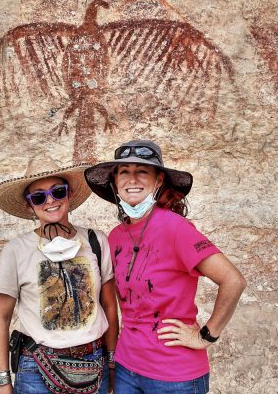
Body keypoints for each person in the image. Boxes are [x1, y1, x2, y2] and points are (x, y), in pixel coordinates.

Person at [84, 139, 247, 394]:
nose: (132, 179)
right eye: (124, 172)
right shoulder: (115, 236)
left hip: (175, 376)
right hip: (128, 368)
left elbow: (233, 280)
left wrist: (205, 335)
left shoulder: (176, 229)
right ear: (115, 182)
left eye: (142, 171)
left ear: (158, 180)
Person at [0, 155, 118, 394]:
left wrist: (112, 361)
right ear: (30, 206)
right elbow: (1, 318)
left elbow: (110, 305)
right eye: (38, 197)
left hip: (94, 362)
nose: (50, 201)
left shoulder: (95, 241)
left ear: (69, 194)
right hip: (36, 368)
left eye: (57, 192)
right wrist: (2, 381)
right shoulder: (16, 250)